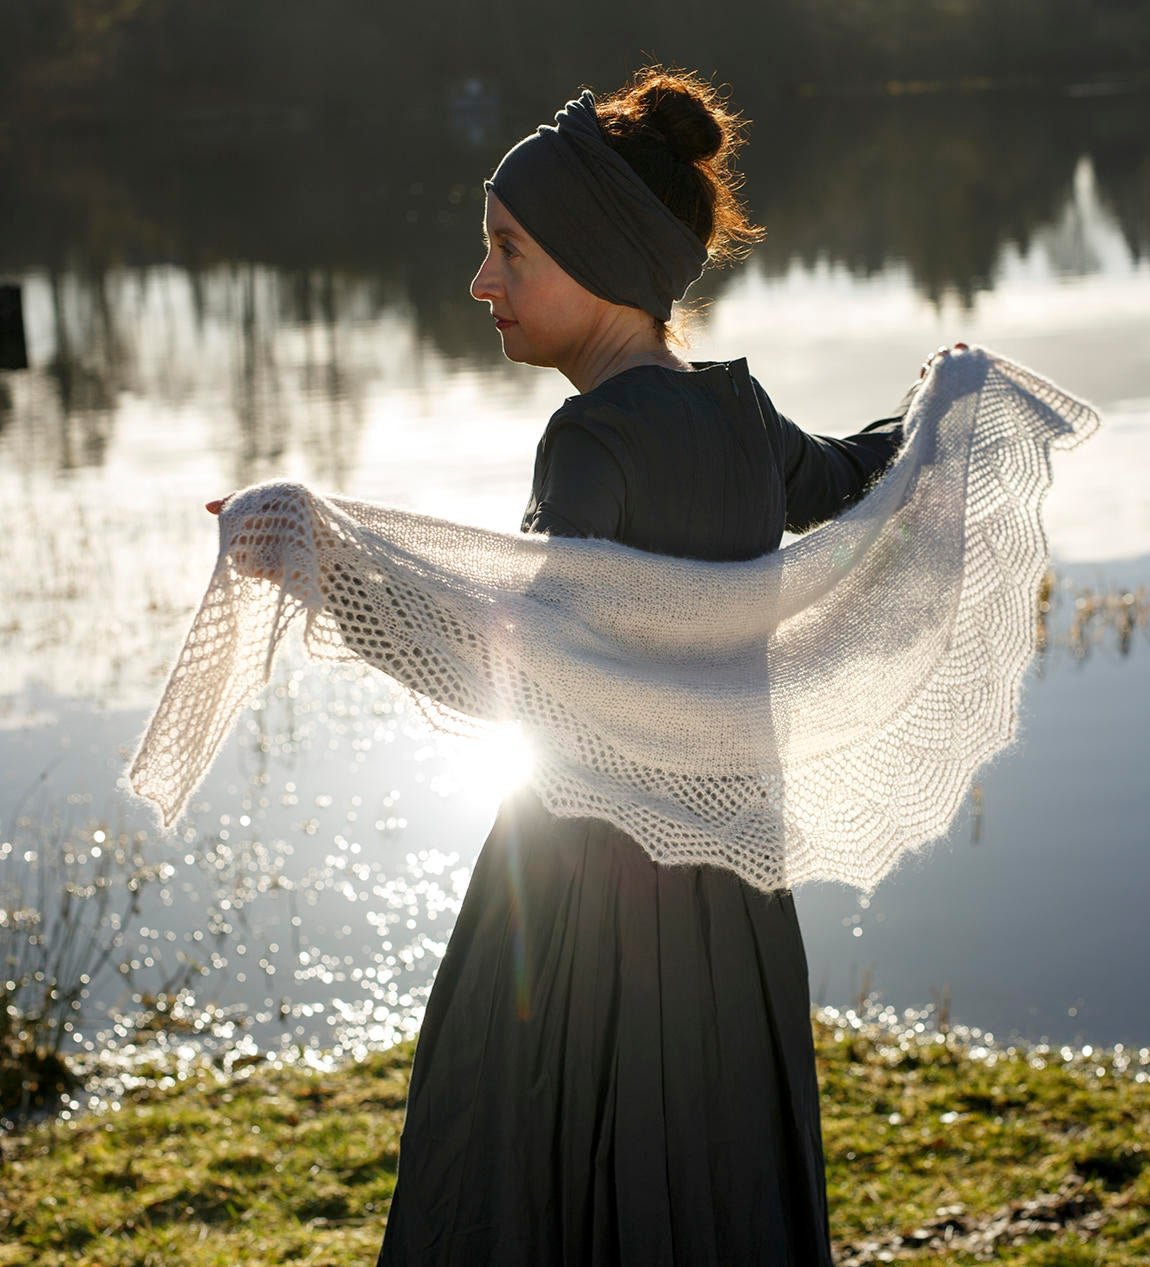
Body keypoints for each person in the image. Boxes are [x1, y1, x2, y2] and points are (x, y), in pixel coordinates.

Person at [210, 67, 947, 1266]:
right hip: (730, 892)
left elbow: (523, 677)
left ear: (597, 259)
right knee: (712, 1181)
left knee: (537, 1180)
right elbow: (850, 478)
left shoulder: (592, 439)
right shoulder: (738, 416)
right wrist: (936, 410)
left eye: (509, 250)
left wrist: (315, 565)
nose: (481, 281)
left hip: (584, 897)